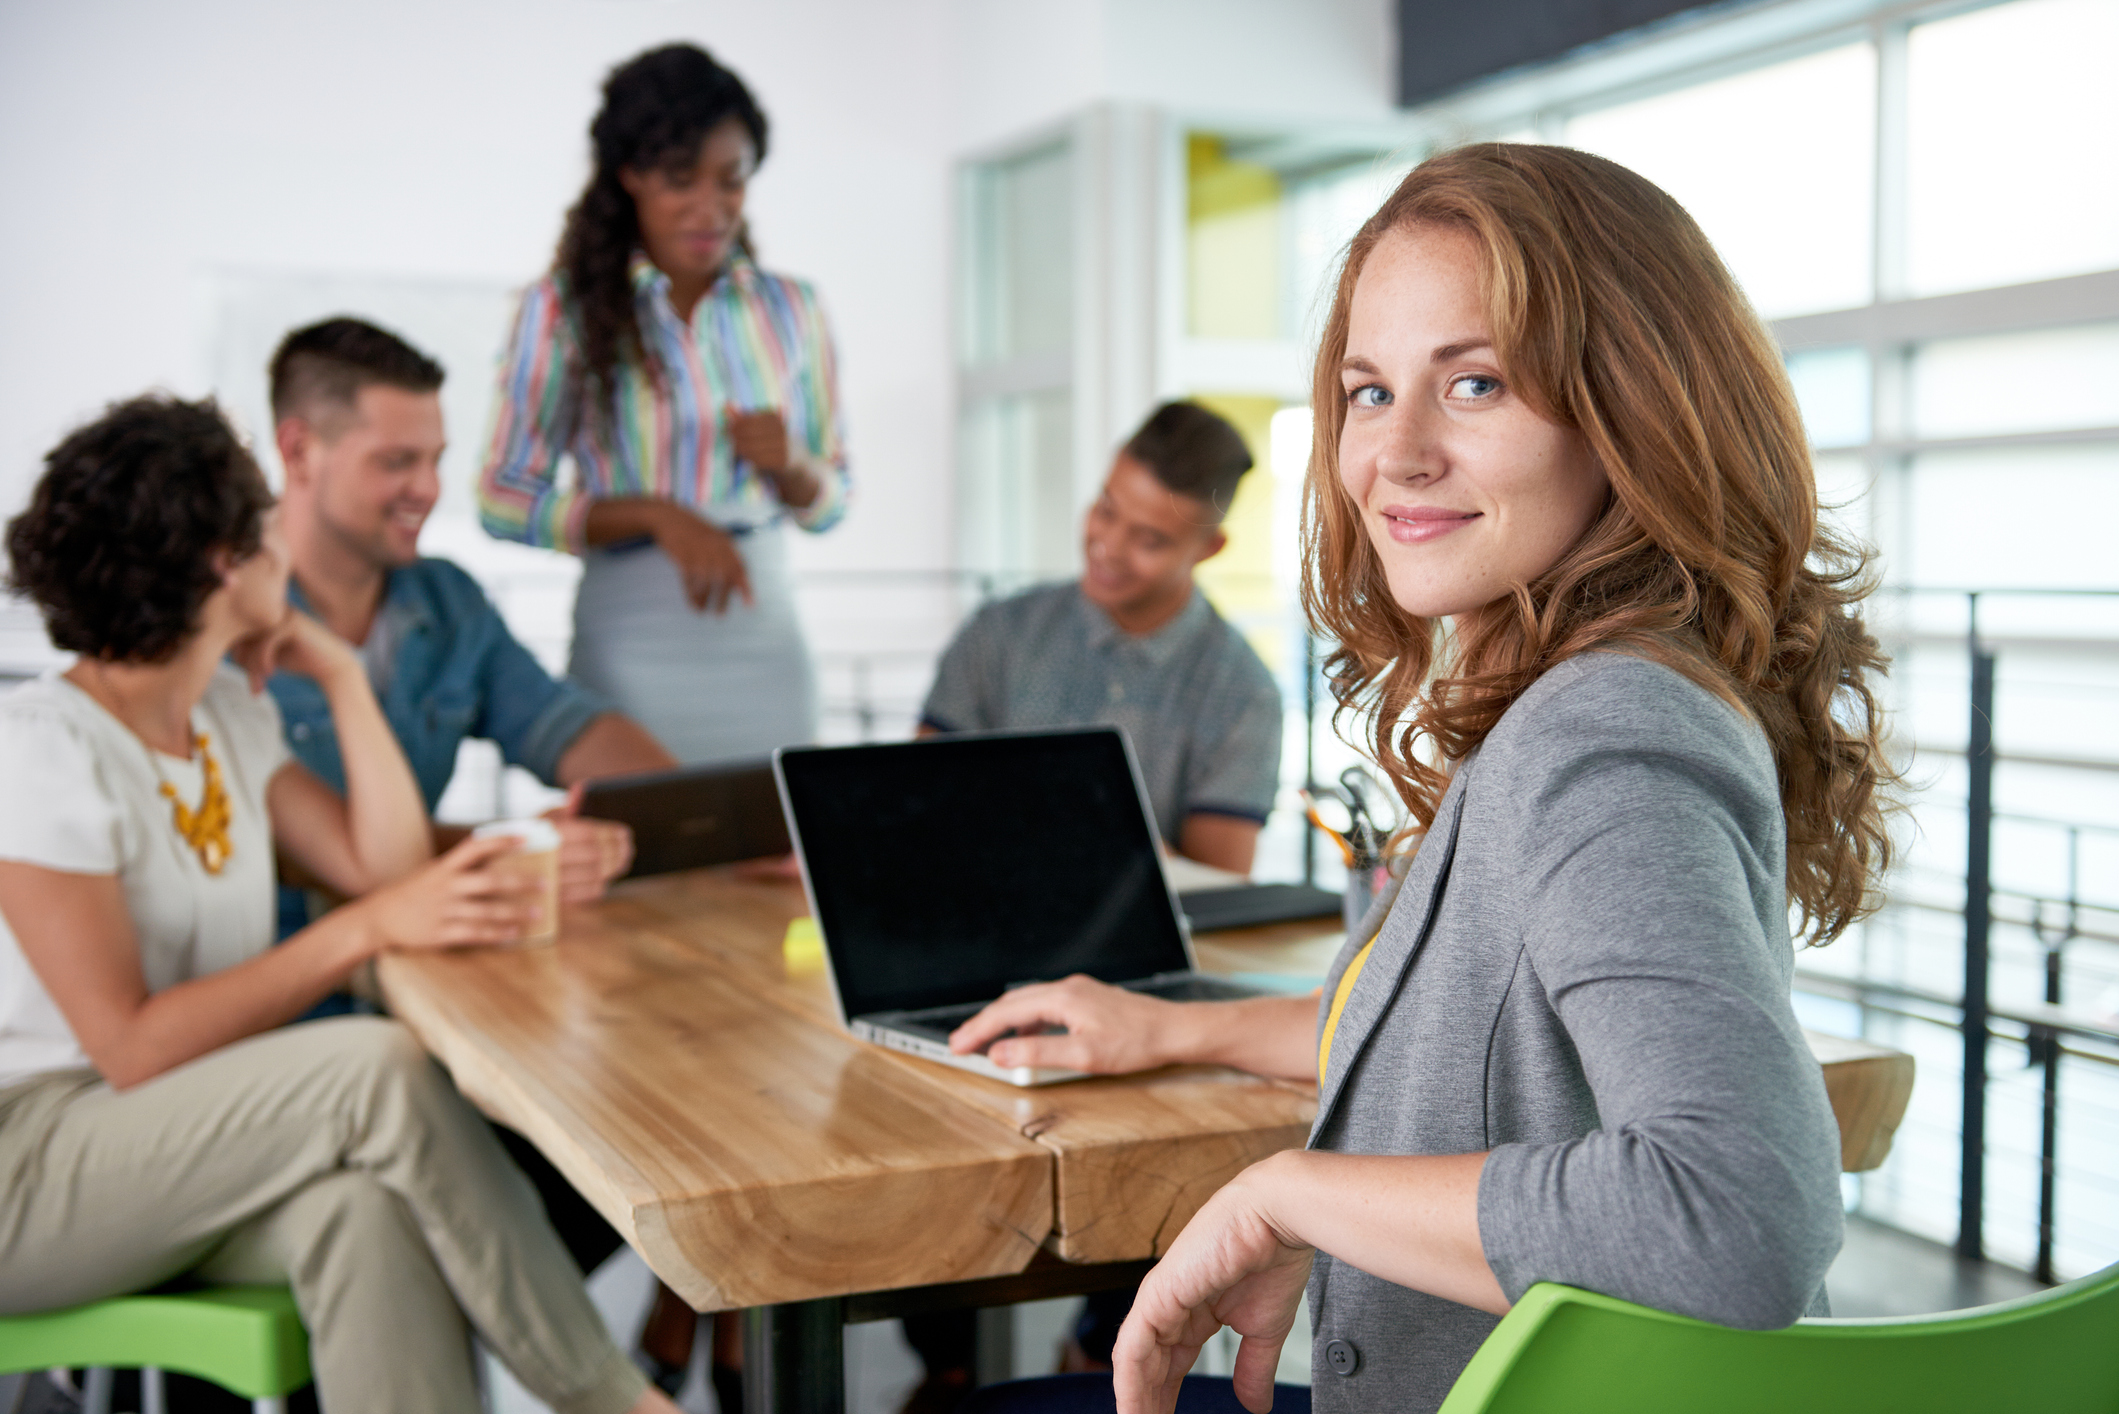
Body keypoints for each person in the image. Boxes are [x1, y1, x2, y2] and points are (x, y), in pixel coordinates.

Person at [947, 143, 1896, 1414]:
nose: (1393, 452)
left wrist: (1293, 1195)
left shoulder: (1602, 732)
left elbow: (1735, 1213)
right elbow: (1438, 1033)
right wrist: (1172, 1030)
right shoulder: (1579, 703)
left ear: (1634, 408)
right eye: (1367, 390)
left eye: (1475, 382)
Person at [0, 394, 681, 1414]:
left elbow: (385, 868)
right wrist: (358, 933)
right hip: (36, 1167)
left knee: (366, 1214)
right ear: (226, 561)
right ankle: (611, 1401)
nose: (286, 541)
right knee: (381, 1065)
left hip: (167, 1140)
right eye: (266, 523)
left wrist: (343, 676)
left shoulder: (226, 715)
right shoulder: (42, 747)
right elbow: (131, 1049)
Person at [479, 42, 850, 767]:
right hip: (633, 636)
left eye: (732, 180)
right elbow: (500, 497)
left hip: (763, 634)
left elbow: (832, 503)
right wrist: (658, 515)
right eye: (681, 180)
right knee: (638, 853)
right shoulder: (558, 311)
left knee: (779, 854)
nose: (710, 208)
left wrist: (797, 466)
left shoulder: (792, 310)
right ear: (630, 177)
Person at [268, 316, 675, 937]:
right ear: (299, 451)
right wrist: (523, 850)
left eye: (435, 461)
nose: (428, 490)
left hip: (433, 958)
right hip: (287, 978)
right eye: (397, 462)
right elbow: (298, 848)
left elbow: (565, 724)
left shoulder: (447, 601)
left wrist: (694, 809)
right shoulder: (223, 616)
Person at [920, 401, 1282, 876]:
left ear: (1208, 549)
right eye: (1105, 510)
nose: (1108, 547)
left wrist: (1091, 831)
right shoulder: (999, 632)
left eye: (1149, 540)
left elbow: (1219, 889)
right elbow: (919, 803)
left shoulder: (1243, 692)